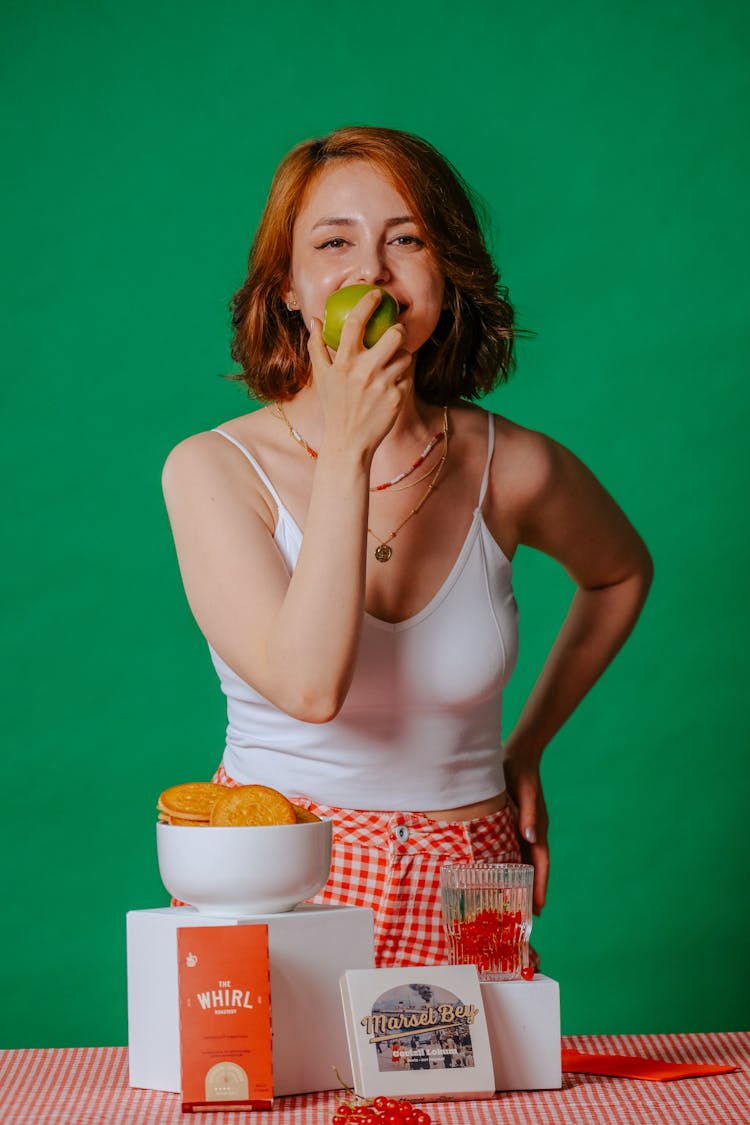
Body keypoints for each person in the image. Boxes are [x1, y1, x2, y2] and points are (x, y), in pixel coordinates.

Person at [162, 126, 652, 969]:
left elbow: (620, 572)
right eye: (334, 241)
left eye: (407, 239)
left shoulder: (515, 465)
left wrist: (526, 746)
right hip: (279, 869)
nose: (372, 272)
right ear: (287, 286)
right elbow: (309, 687)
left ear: (445, 273)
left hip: (472, 874)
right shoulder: (212, 468)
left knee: (483, 1102)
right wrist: (351, 445)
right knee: (268, 1099)